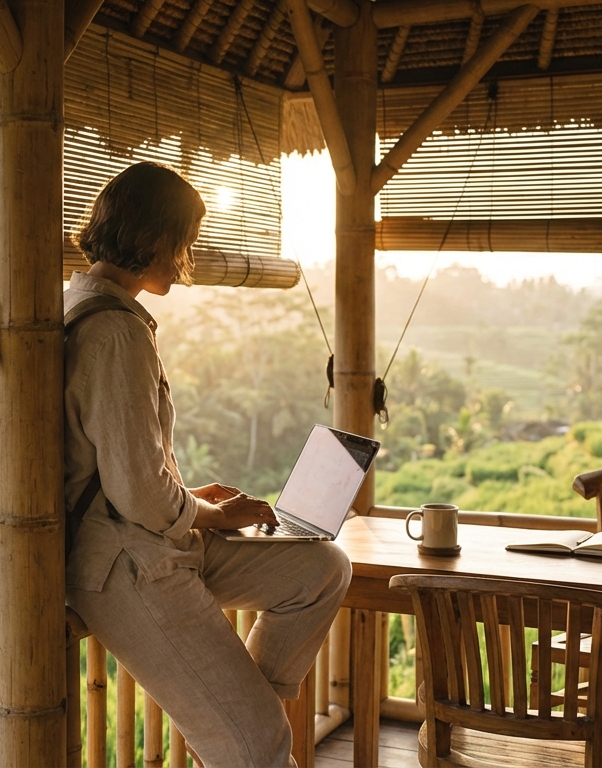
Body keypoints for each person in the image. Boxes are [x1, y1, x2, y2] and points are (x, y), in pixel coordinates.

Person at [64, 161, 352, 767]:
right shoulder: (115, 332)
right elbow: (141, 495)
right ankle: (244, 736)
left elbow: (116, 473)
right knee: (259, 745)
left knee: (319, 568)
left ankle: (240, 721)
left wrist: (193, 501)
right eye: (183, 241)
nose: (186, 256)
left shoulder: (93, 308)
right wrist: (208, 514)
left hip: (149, 540)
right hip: (125, 565)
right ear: (153, 238)